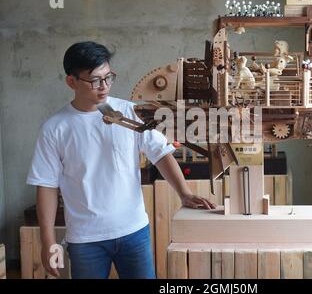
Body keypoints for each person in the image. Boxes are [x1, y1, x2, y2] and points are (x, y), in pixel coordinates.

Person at [26, 41, 216, 279]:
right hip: (86, 240)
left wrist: (185, 193)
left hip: (134, 231)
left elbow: (161, 153)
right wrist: (48, 241)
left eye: (108, 77)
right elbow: (46, 185)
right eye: (95, 80)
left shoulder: (130, 113)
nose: (104, 86)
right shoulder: (55, 128)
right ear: (71, 81)